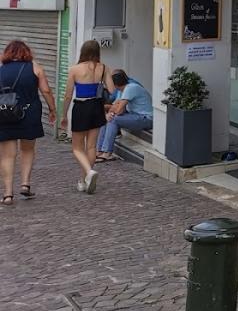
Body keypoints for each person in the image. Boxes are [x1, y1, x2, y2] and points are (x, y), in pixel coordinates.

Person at [0, 40, 56, 204]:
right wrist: (52, 109)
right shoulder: (35, 67)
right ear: (26, 52)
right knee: (28, 149)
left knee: (7, 156)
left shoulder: (1, 70)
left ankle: (8, 194)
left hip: (5, 114)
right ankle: (25, 184)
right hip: (29, 113)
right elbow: (45, 90)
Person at [60, 40, 113, 194]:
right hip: (97, 107)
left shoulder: (75, 69)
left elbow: (68, 95)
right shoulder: (103, 68)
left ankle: (89, 173)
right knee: (91, 146)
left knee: (77, 147)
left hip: (81, 107)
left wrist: (64, 115)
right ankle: (84, 180)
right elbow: (111, 89)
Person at [95, 70, 153, 163]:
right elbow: (115, 106)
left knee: (113, 120)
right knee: (106, 119)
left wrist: (111, 114)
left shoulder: (131, 88)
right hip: (134, 115)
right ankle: (99, 151)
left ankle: (107, 153)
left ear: (115, 84)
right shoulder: (122, 90)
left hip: (146, 118)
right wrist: (109, 114)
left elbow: (119, 110)